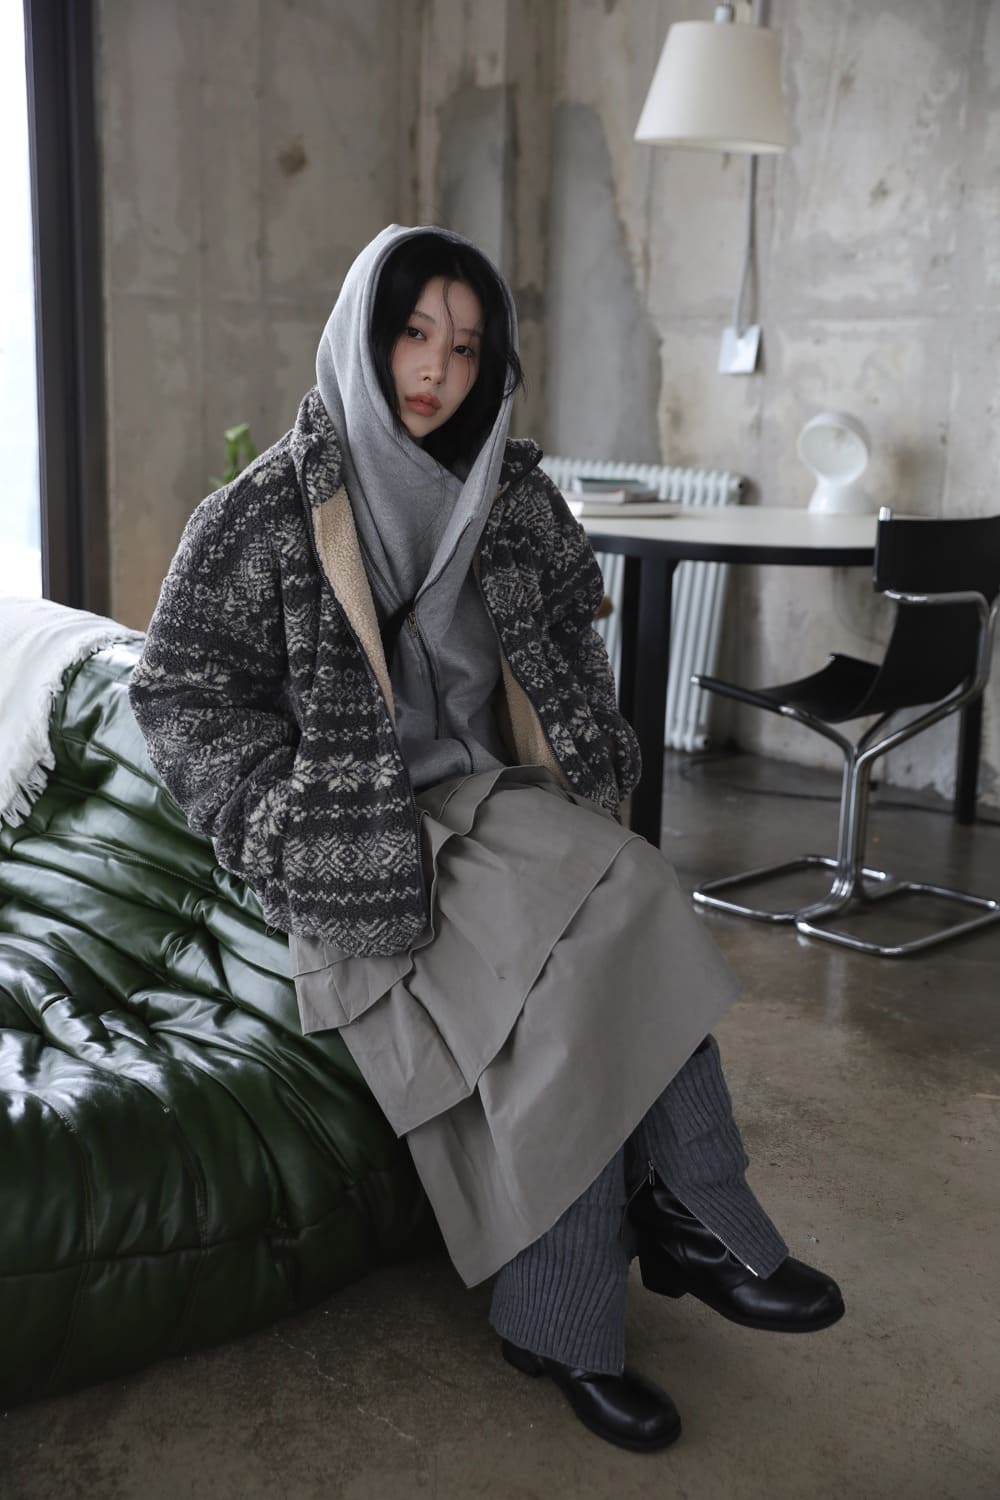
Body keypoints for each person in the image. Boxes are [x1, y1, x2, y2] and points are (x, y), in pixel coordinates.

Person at [129, 224, 844, 1455]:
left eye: (465, 347)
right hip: (360, 830)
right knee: (564, 988)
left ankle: (677, 1229)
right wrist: (280, 823)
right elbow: (178, 691)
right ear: (365, 334)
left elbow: (569, 636)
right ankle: (602, 1292)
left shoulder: (511, 496)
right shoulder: (265, 509)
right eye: (413, 334)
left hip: (494, 798)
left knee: (633, 883)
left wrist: (578, 726)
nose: (436, 370)